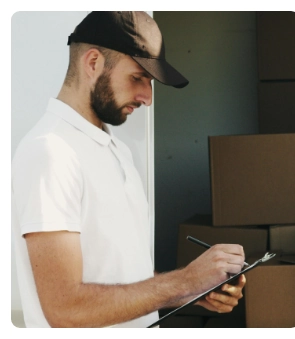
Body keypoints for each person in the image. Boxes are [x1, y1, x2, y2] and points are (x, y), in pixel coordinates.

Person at [11, 11, 246, 328]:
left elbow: (124, 275)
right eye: (138, 77)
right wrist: (184, 282)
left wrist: (193, 290)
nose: (148, 98)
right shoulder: (51, 151)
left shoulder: (117, 152)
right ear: (93, 63)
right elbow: (64, 309)